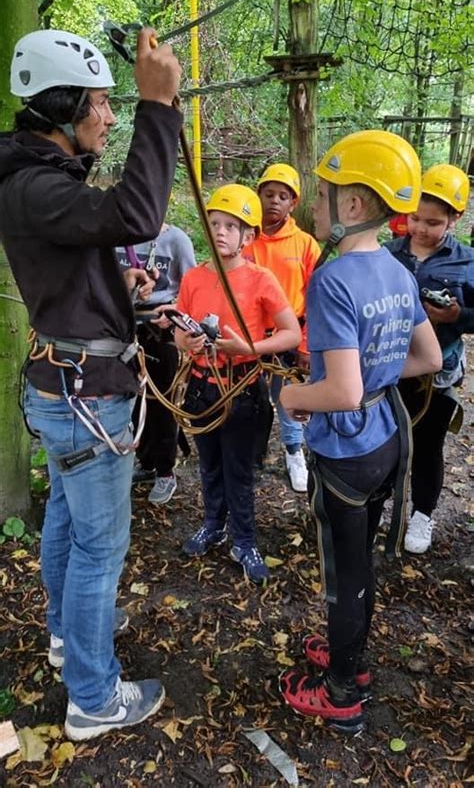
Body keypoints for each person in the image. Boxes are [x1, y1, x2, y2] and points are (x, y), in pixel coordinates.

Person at [0, 27, 182, 741]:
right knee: (99, 550)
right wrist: (159, 108)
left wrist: (116, 279)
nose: (110, 118)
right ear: (64, 107)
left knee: (69, 527)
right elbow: (136, 214)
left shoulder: (36, 181)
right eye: (102, 105)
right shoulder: (38, 185)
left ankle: (65, 640)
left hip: (65, 384)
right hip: (86, 395)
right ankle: (94, 698)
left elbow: (82, 251)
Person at [277, 130, 442, 733]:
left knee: (345, 572)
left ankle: (342, 688)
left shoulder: (333, 279)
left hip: (346, 447)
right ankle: (351, 655)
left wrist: (294, 396)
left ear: (351, 206)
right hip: (387, 439)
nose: (313, 207)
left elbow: (340, 393)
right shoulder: (397, 272)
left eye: (321, 196)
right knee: (360, 559)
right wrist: (370, 372)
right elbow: (428, 358)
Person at [175, 184, 301, 583]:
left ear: (249, 236)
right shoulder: (194, 278)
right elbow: (179, 329)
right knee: (209, 463)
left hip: (243, 388)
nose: (221, 232)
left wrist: (249, 346)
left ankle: (244, 539)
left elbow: (291, 334)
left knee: (240, 470)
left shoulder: (261, 279)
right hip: (201, 386)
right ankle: (213, 523)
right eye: (214, 223)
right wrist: (186, 340)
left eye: (231, 226)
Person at [386, 163, 473, 553]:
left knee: (428, 442)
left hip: (438, 373)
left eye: (433, 222)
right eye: (415, 218)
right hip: (390, 366)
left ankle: (422, 512)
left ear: (455, 219)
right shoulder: (387, 254)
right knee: (385, 439)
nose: (420, 228)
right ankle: (380, 505)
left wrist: (458, 316)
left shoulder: (467, 262)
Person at [244, 164, 321, 491]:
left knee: (288, 395)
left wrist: (306, 345)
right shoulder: (245, 240)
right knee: (249, 396)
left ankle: (293, 452)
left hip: (290, 337)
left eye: (283, 196)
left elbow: (317, 298)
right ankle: (250, 451)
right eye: (269, 194)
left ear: (293, 203)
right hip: (252, 337)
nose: (274, 201)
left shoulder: (305, 244)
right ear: (258, 196)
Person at [117, 222, 196, 504]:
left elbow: (192, 286)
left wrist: (176, 311)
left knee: (161, 400)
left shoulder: (176, 240)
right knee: (132, 400)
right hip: (123, 329)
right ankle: (146, 462)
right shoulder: (118, 235)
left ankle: (165, 470)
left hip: (159, 331)